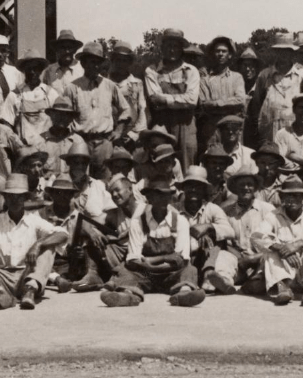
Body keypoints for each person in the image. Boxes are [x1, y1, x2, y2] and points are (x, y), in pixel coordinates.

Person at [99, 178, 206, 307]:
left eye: (166, 195)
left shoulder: (180, 221)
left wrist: (149, 262)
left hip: (171, 274)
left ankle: (184, 293)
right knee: (126, 270)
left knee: (189, 269)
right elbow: (133, 261)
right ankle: (127, 296)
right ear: (149, 198)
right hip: (145, 274)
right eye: (158, 195)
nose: (163, 199)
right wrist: (165, 258)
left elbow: (181, 260)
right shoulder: (137, 222)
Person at [0, 174, 69, 309]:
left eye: (19, 197)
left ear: (25, 198)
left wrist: (38, 244)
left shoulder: (34, 220)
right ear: (5, 198)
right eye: (10, 196)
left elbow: (63, 234)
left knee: (49, 248)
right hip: (2, 276)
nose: (14, 200)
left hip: (27, 275)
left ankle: (30, 292)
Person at [253, 177, 303, 306]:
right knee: (270, 249)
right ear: (280, 197)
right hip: (284, 271)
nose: (291, 200)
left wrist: (298, 244)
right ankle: (284, 287)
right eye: (286, 196)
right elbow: (256, 237)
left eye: (296, 195)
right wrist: (281, 248)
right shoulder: (273, 215)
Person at [63, 42, 132, 178]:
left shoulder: (109, 86)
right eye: (91, 62)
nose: (95, 66)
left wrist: (119, 130)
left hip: (104, 142)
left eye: (98, 62)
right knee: (80, 180)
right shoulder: (72, 88)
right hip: (80, 142)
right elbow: (64, 115)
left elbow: (126, 109)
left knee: (105, 181)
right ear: (83, 63)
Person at [145, 28, 201, 169]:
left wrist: (164, 100)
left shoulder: (191, 71)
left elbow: (192, 101)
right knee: (161, 163)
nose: (172, 50)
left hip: (186, 125)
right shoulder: (151, 71)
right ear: (162, 48)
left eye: (175, 46)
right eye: (168, 46)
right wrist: (181, 100)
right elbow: (154, 100)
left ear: (181, 49)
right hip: (162, 124)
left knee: (187, 164)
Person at [176, 166, 237, 295]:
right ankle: (206, 279)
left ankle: (215, 279)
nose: (193, 190)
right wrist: (193, 236)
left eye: (198, 186)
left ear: (204, 190)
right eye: (189, 186)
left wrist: (209, 227)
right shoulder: (173, 210)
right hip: (183, 258)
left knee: (222, 251)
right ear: (184, 189)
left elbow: (230, 231)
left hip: (205, 256)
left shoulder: (212, 209)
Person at [250, 32, 303, 145]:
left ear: (293, 53)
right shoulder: (264, 75)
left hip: (295, 133)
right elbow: (256, 104)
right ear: (275, 52)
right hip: (269, 134)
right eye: (280, 51)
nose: (284, 55)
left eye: (287, 51)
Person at [197, 36, 247, 158]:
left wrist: (217, 104)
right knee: (212, 160)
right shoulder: (205, 79)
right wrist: (229, 105)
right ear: (213, 54)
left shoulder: (237, 77)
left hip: (233, 129)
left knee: (235, 158)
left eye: (224, 51)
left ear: (229, 55)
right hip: (212, 130)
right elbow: (204, 104)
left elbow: (240, 101)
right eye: (217, 51)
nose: (220, 54)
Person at [4, 49, 57, 142]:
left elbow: (60, 122)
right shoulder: (15, 95)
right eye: (29, 68)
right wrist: (17, 145)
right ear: (24, 70)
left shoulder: (50, 94)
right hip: (24, 150)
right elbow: (5, 125)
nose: (32, 72)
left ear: (41, 70)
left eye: (36, 68)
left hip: (47, 148)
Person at [106, 41, 149, 148]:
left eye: (124, 61)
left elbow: (142, 110)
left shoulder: (137, 83)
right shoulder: (104, 83)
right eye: (118, 60)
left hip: (130, 134)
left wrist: (134, 134)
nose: (121, 64)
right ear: (112, 61)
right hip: (108, 133)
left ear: (130, 62)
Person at [63, 142, 115, 227]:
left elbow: (112, 212)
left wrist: (93, 223)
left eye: (84, 163)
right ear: (68, 163)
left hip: (95, 234)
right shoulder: (58, 183)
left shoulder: (98, 186)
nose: (80, 166)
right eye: (76, 162)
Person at [37, 96, 87, 183]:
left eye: (66, 115)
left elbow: (83, 174)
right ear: (51, 116)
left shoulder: (78, 141)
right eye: (58, 114)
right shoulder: (40, 141)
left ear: (71, 118)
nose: (62, 118)